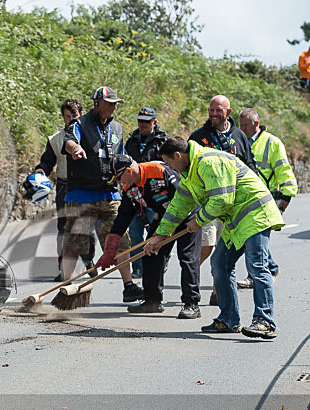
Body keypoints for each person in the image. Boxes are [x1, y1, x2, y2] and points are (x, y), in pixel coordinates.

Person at [144, 137, 284, 339]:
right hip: (236, 220)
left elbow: (222, 199)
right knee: (220, 264)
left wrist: (198, 220)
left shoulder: (208, 161)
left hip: (255, 214)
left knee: (257, 266)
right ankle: (229, 319)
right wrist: (159, 236)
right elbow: (177, 206)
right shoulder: (188, 174)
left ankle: (265, 321)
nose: (169, 168)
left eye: (169, 162)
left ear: (178, 155)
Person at [61, 86, 143, 303]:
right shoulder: (79, 124)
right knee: (75, 243)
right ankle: (65, 286)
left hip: (110, 195)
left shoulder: (117, 128)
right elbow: (69, 141)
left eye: (115, 103)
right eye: (109, 102)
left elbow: (123, 156)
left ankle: (128, 286)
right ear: (96, 103)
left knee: (120, 241)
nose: (113, 106)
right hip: (81, 195)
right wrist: (75, 149)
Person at [96, 154, 201, 318]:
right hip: (163, 217)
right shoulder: (130, 187)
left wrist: (167, 232)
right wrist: (110, 250)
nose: (119, 182)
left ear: (129, 170)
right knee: (149, 252)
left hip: (187, 216)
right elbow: (123, 217)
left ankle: (191, 304)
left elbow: (183, 198)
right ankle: (152, 301)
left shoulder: (160, 171)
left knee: (187, 258)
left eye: (119, 178)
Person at [188, 95, 256, 306]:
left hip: (234, 204)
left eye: (218, 111)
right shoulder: (199, 137)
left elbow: (250, 165)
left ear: (228, 112)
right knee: (207, 246)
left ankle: (218, 292)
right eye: (211, 110)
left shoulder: (239, 136)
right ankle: (189, 282)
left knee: (224, 248)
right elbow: (190, 169)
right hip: (209, 202)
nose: (214, 114)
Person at [32, 98, 98, 281]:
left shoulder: (91, 136)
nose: (71, 120)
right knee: (63, 229)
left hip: (85, 186)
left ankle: (89, 261)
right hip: (64, 186)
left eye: (74, 116)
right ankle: (64, 268)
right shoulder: (55, 139)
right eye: (67, 116)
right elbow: (47, 161)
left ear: (81, 115)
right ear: (63, 118)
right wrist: (41, 170)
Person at [235, 108, 298, 289]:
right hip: (244, 199)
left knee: (253, 237)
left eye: (246, 125)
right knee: (250, 238)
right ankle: (270, 268)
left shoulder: (272, 142)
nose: (243, 128)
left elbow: (283, 170)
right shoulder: (238, 141)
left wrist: (286, 197)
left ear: (256, 124)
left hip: (265, 199)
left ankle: (257, 275)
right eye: (241, 125)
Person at [124, 106, 168, 278]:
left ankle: (161, 261)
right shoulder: (132, 140)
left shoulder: (162, 140)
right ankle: (138, 267)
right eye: (140, 121)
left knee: (157, 231)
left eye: (146, 121)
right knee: (135, 231)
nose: (142, 124)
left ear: (154, 122)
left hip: (156, 194)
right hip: (134, 193)